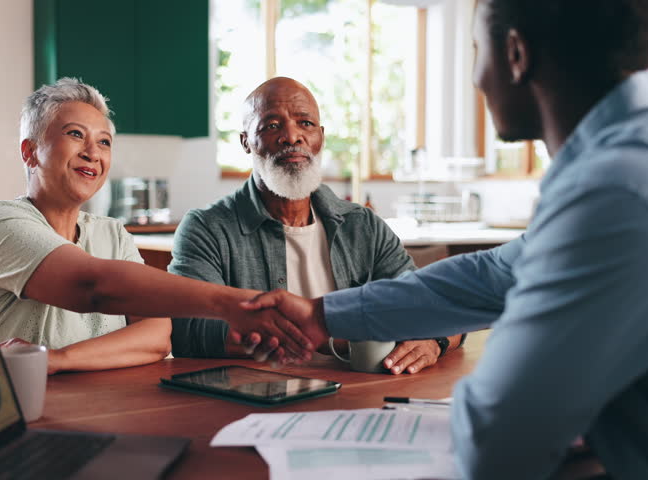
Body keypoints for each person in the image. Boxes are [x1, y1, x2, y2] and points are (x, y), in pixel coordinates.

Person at [231, 1, 648, 478]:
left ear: (517, 55)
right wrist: (322, 316)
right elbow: (494, 276)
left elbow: (497, 442)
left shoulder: (619, 190)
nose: (477, 77)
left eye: (478, 50)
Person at [0, 78, 309, 375]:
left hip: (108, 407)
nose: (92, 153)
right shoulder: (0, 223)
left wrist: (57, 359)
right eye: (75, 135)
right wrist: (232, 304)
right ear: (30, 152)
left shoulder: (111, 233)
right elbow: (91, 286)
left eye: (104, 142)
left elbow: (156, 335)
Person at [169, 77, 463, 374]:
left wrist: (433, 342)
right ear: (246, 142)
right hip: (255, 399)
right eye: (272, 126)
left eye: (305, 124)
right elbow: (188, 329)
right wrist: (329, 336)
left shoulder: (364, 227)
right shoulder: (206, 229)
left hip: (357, 395)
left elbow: (432, 307)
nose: (292, 137)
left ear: (320, 137)